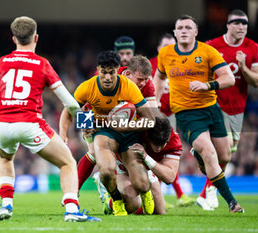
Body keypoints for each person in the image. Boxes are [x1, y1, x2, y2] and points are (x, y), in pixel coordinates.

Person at [0, 16, 100, 222]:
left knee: (6, 159)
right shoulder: (42, 64)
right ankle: (71, 210)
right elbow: (70, 103)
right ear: (36, 38)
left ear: (14, 39)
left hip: (1, 124)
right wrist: (86, 124)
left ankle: (6, 206)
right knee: (68, 162)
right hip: (29, 123)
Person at [153, 15, 244, 213]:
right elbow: (159, 77)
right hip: (186, 113)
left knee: (224, 155)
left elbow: (229, 78)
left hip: (211, 109)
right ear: (175, 32)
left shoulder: (208, 51)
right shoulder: (166, 54)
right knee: (210, 152)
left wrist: (207, 85)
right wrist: (155, 103)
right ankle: (232, 203)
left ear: (196, 32)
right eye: (180, 28)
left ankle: (200, 158)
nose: (183, 30)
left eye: (188, 27)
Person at [60, 50, 156, 216]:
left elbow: (151, 120)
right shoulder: (87, 87)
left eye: (111, 73)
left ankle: (146, 192)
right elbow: (69, 111)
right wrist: (63, 133)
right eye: (103, 72)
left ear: (117, 70)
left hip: (129, 134)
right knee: (104, 170)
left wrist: (127, 126)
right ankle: (116, 200)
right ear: (98, 69)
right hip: (104, 132)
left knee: (140, 184)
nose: (107, 78)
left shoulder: (129, 87)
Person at [196, 9, 258, 210]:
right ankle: (210, 191)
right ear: (228, 25)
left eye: (245, 23)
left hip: (238, 108)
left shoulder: (253, 47)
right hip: (215, 104)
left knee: (226, 154)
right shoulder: (213, 46)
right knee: (224, 151)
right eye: (237, 23)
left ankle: (206, 190)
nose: (241, 27)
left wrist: (243, 68)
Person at [101, 115, 183, 215]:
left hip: (145, 167)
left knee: (159, 212)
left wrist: (146, 157)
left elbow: (169, 178)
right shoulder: (139, 125)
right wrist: (90, 127)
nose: (158, 149)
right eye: (155, 144)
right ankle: (109, 198)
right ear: (148, 135)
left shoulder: (174, 142)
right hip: (122, 164)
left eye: (162, 144)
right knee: (133, 204)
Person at [149, 32, 195, 207]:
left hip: (173, 115)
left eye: (172, 45)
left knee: (169, 153)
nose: (169, 49)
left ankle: (171, 194)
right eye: (166, 46)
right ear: (159, 48)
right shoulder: (152, 65)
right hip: (155, 115)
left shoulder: (180, 64)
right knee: (157, 153)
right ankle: (174, 194)